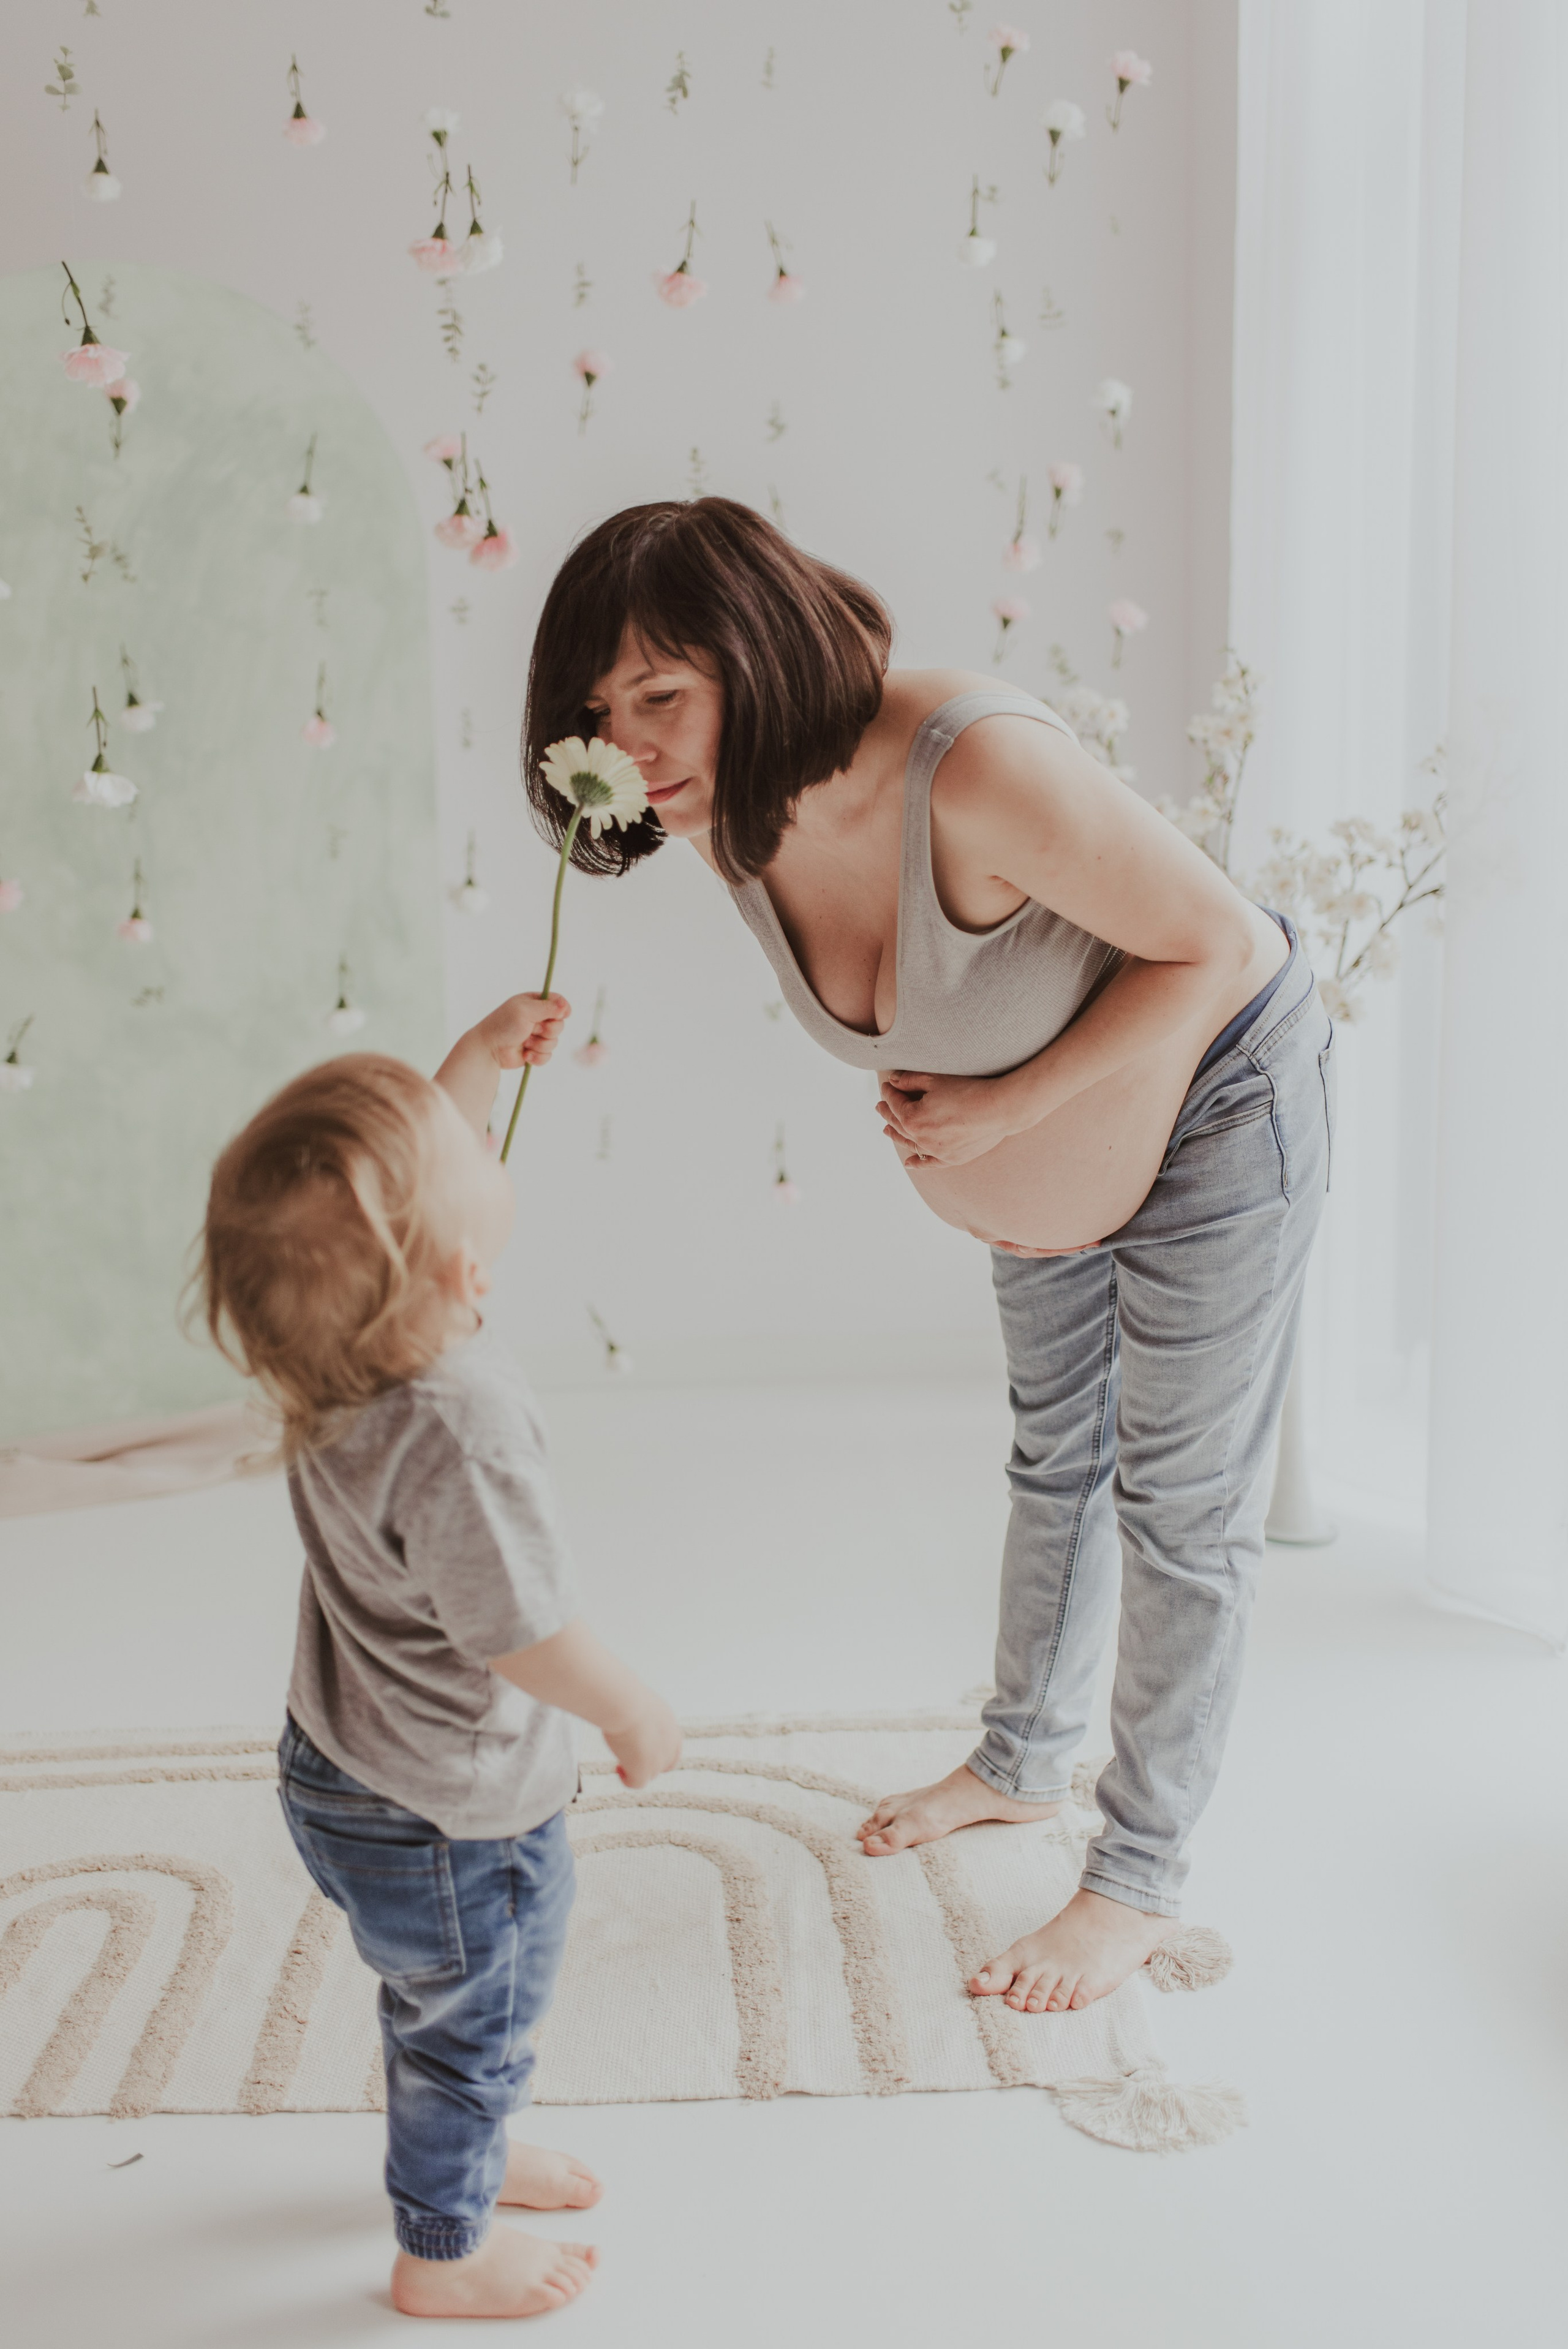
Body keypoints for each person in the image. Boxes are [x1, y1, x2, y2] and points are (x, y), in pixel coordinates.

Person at [522, 497, 1333, 2019]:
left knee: (1180, 1506)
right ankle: (1020, 1762)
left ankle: (1135, 1879)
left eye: (658, 695)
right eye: (596, 712)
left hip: (1219, 1098)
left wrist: (1009, 1111)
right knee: (1054, 1462)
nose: (625, 748)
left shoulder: (970, 762)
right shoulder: (724, 818)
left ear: (754, 656)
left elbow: (1224, 947)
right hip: (1062, 1168)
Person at [197, 993, 682, 2321]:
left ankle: (468, 2146)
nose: (477, 1141)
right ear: (466, 1271)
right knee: (475, 2021)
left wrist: (470, 1062)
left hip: (338, 1763)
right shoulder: (457, 1426)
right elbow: (523, 1633)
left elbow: (402, 1198)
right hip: (451, 1814)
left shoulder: (335, 1345)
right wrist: (630, 1707)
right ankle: (442, 2249)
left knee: (436, 2000)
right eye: (466, 1147)